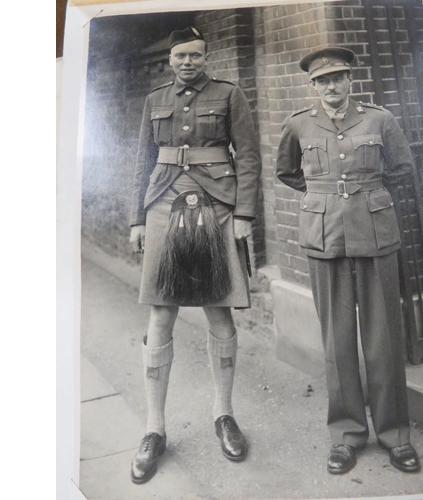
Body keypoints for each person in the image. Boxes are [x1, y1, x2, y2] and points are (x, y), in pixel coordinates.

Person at [276, 46, 421, 475]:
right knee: (337, 341)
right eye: (322, 80)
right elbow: (287, 171)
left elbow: (401, 168)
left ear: (350, 80)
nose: (331, 86)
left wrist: (366, 197)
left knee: (384, 339)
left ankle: (395, 435)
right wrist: (322, 198)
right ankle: (346, 435)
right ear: (313, 86)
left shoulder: (380, 120)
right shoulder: (298, 124)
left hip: (376, 235)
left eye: (338, 77)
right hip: (325, 238)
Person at [128, 27, 261, 484]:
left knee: (219, 311)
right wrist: (136, 219)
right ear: (170, 59)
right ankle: (154, 428)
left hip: (218, 206)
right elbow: (142, 159)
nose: (188, 62)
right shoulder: (155, 99)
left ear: (207, 57)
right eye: (181, 55)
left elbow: (247, 156)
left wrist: (245, 214)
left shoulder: (229, 94)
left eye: (196, 55)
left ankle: (224, 414)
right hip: (163, 203)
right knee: (160, 315)